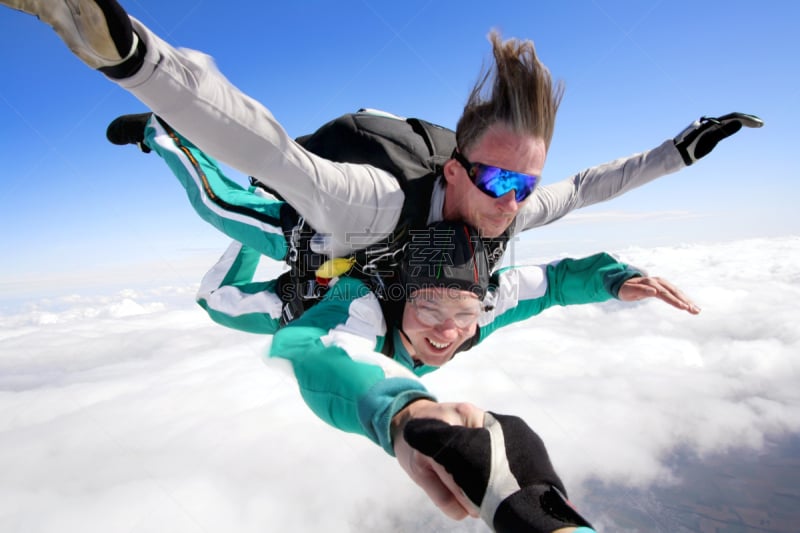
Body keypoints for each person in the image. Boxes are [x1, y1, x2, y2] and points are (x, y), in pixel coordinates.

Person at [2, 0, 763, 261]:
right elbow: (272, 149)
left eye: (525, 184)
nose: (514, 203)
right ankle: (158, 137)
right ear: (458, 172)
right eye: (499, 181)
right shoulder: (375, 203)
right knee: (230, 200)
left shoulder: (515, 201)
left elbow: (592, 185)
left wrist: (683, 148)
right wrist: (137, 60)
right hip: (319, 221)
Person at [199, 218, 698, 531]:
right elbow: (301, 345)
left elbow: (551, 283)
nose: (447, 332)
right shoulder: (365, 305)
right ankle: (201, 174)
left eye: (464, 314)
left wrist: (615, 279)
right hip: (300, 305)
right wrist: (403, 411)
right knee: (216, 299)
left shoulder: (481, 307)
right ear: (401, 296)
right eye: (428, 310)